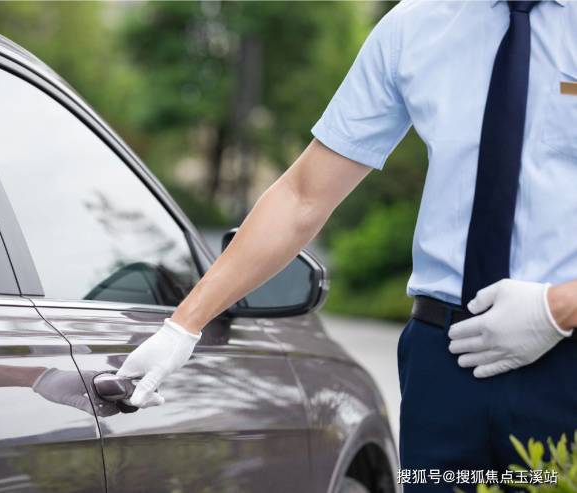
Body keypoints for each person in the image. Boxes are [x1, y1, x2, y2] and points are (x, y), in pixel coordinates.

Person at [117, 0, 577, 489]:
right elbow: (303, 196)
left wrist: (558, 307)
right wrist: (184, 325)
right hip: (445, 365)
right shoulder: (416, 25)